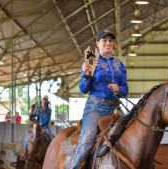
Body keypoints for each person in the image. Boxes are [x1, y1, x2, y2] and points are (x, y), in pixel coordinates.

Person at [70, 29, 128, 169]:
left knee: (132, 133)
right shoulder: (91, 60)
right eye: (104, 40)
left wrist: (119, 89)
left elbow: (125, 90)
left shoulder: (119, 64)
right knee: (88, 139)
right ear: (97, 43)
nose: (108, 43)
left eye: (110, 40)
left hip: (115, 108)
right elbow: (84, 89)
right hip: (96, 107)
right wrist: (85, 74)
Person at [20, 96, 54, 160]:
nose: (44, 101)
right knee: (27, 138)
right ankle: (24, 153)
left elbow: (47, 120)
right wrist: (31, 113)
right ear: (41, 100)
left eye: (46, 100)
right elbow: (33, 116)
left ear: (47, 101)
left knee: (51, 137)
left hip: (45, 126)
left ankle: (52, 152)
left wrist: (40, 125)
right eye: (43, 99)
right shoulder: (38, 109)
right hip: (37, 126)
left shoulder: (49, 110)